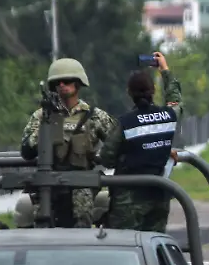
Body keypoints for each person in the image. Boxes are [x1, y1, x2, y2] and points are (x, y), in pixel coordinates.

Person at [21, 58, 116, 227]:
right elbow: (26, 151)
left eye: (67, 81)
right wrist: (48, 123)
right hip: (49, 184)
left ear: (78, 83)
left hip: (81, 184)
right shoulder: (42, 116)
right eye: (57, 82)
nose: (61, 85)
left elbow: (117, 143)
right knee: (42, 225)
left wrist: (101, 157)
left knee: (82, 218)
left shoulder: (94, 116)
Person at [97, 52, 184, 232]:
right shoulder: (168, 115)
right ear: (153, 90)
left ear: (129, 93)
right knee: (154, 243)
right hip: (159, 196)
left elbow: (107, 158)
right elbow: (176, 100)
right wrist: (164, 70)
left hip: (128, 201)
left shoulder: (125, 122)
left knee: (126, 245)